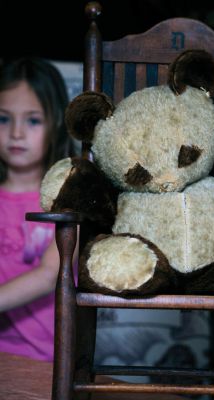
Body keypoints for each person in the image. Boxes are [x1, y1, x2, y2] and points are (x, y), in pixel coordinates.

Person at [0, 56, 77, 362]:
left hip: (47, 358)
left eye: (33, 120)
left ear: (56, 123)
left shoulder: (67, 196)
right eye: (3, 119)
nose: (16, 133)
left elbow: (49, 275)